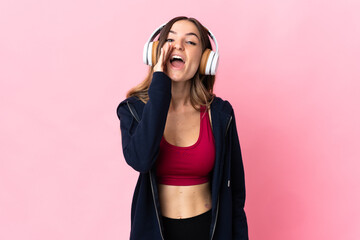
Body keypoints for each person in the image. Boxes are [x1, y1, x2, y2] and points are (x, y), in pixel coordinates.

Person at [116, 16, 248, 240]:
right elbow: (140, 159)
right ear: (156, 53)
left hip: (208, 231)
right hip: (155, 232)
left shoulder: (220, 114)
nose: (178, 46)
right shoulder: (133, 109)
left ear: (206, 59)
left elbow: (235, 193)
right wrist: (159, 82)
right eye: (170, 40)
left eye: (190, 42)